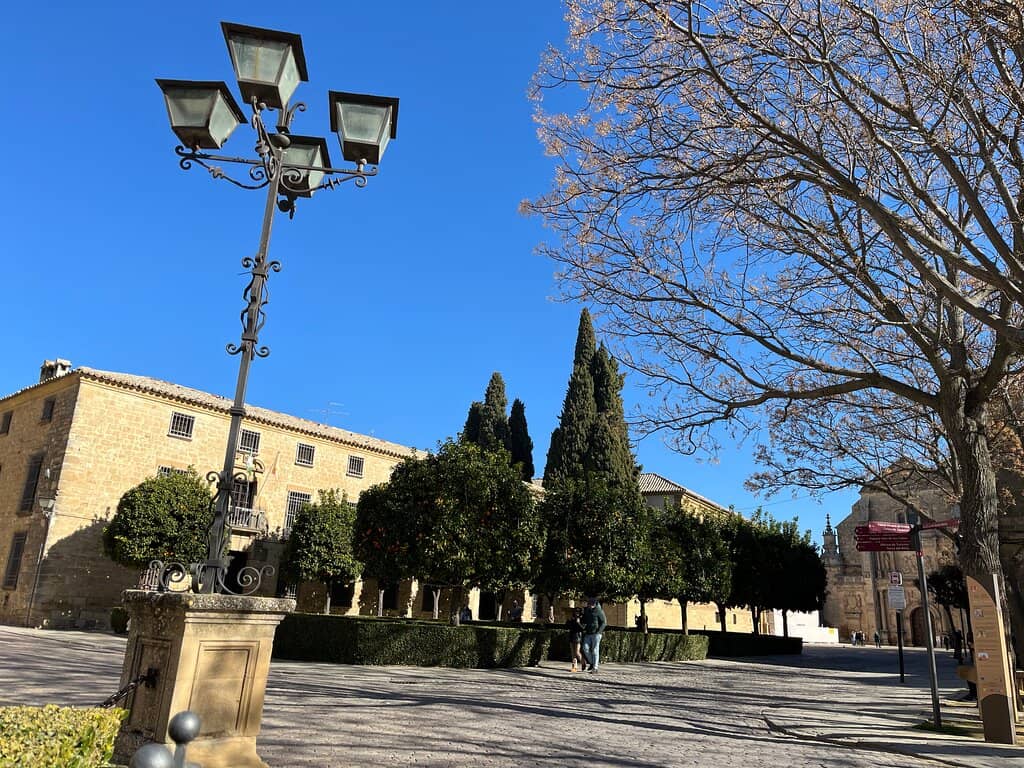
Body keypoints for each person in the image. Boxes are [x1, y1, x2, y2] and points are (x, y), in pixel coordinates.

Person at [581, 596, 607, 673]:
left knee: (595, 650)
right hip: (588, 633)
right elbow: (584, 620)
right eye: (589, 604)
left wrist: (599, 632)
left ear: (595, 604)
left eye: (591, 604)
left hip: (596, 633)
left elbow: (604, 622)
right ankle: (592, 663)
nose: (590, 605)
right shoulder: (587, 610)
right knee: (585, 648)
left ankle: (595, 668)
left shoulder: (599, 611)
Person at [566, 608, 585, 672]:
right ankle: (574, 667)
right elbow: (567, 626)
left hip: (578, 636)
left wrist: (578, 623)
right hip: (571, 635)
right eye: (575, 612)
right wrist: (569, 621)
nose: (576, 613)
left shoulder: (581, 619)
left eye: (578, 612)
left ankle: (583, 662)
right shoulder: (572, 618)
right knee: (573, 653)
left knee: (577, 652)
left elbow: (583, 629)